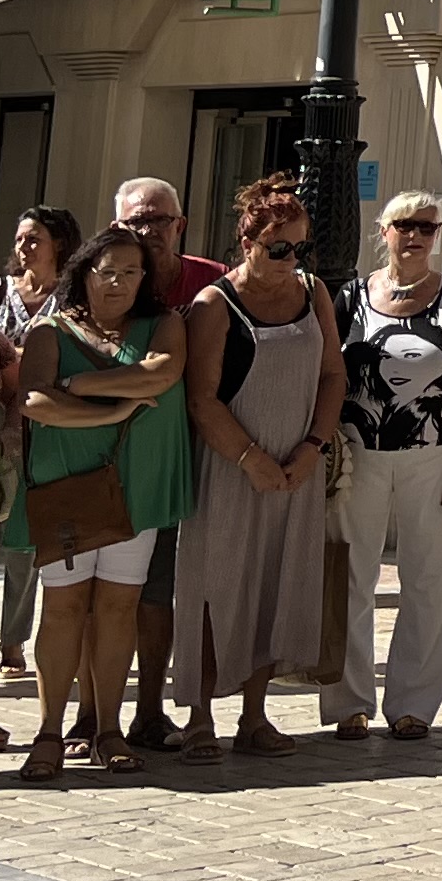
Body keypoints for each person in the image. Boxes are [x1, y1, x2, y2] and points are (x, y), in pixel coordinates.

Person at [173, 173, 345, 757]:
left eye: (299, 247)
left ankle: (254, 714)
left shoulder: (313, 291)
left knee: (277, 582)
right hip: (229, 467)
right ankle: (198, 717)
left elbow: (332, 374)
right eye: (279, 248)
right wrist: (249, 457)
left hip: (297, 466)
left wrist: (312, 447)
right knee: (210, 586)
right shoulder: (215, 304)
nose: (290, 258)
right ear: (246, 244)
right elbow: (201, 398)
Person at [12, 222, 176, 776]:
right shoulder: (49, 333)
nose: (119, 283)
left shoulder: (162, 325)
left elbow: (159, 374)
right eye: (108, 272)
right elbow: (35, 401)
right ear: (84, 274)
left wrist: (79, 387)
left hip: (137, 490)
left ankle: (108, 727)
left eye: (132, 272)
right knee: (62, 610)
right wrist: (113, 410)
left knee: (117, 608)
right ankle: (49, 732)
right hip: (65, 487)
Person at [323, 191, 442, 740]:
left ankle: (413, 705)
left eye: (427, 227)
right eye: (404, 225)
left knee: (429, 578)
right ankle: (348, 703)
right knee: (350, 576)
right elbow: (328, 376)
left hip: (435, 457)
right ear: (382, 230)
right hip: (358, 455)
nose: (414, 236)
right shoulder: (350, 297)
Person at [107, 176, 222, 750]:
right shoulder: (100, 282)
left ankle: (149, 711)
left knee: (160, 592)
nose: (147, 232)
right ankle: (93, 717)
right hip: (112, 460)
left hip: (193, 461)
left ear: (180, 224)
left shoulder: (213, 284)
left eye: (158, 221)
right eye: (134, 223)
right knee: (104, 595)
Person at [0, 206, 81, 700]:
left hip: (47, 429)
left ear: (59, 243)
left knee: (26, 541)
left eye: (34, 239)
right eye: (20, 238)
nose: (23, 248)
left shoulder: (72, 296)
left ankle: (14, 643)